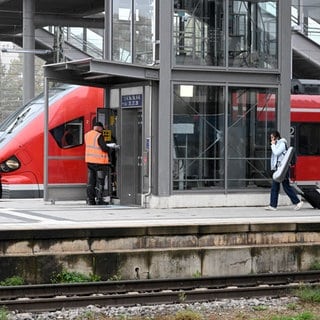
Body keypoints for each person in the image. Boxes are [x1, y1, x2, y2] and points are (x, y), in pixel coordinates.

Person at [265, 130, 303, 211]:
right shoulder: (277, 144)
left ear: (277, 137)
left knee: (286, 187)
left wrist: (272, 145)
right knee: (275, 187)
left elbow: (276, 153)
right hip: (279, 169)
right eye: (271, 137)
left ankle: (297, 202)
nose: (271, 139)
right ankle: (273, 205)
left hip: (283, 169)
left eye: (273, 137)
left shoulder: (281, 144)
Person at [85, 122, 119, 205]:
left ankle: (91, 200)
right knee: (101, 182)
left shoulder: (87, 135)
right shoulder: (98, 135)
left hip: (90, 162)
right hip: (99, 163)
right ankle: (100, 200)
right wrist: (111, 147)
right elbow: (104, 148)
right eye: (102, 129)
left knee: (91, 182)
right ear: (100, 128)